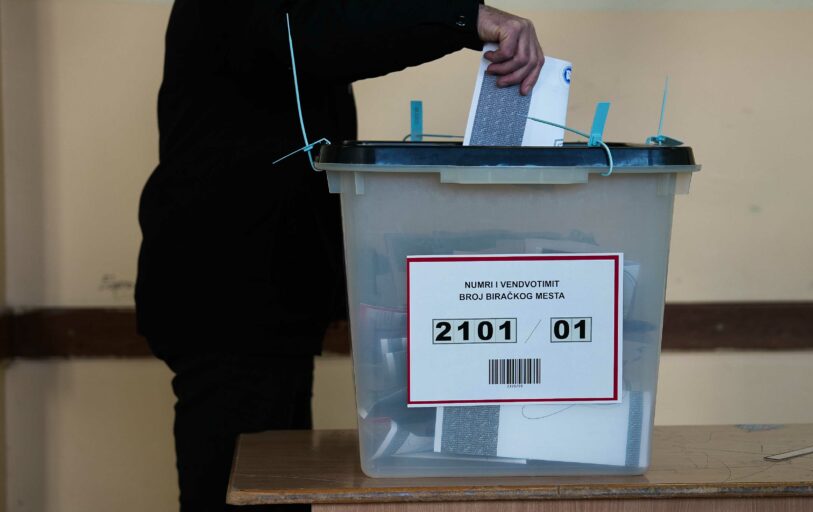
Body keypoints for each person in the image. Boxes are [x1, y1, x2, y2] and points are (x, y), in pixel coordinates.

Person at [135, 2, 544, 510]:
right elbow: (324, 36)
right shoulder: (260, 18)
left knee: (270, 491)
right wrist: (463, 16)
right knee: (239, 492)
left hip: (264, 301)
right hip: (227, 298)